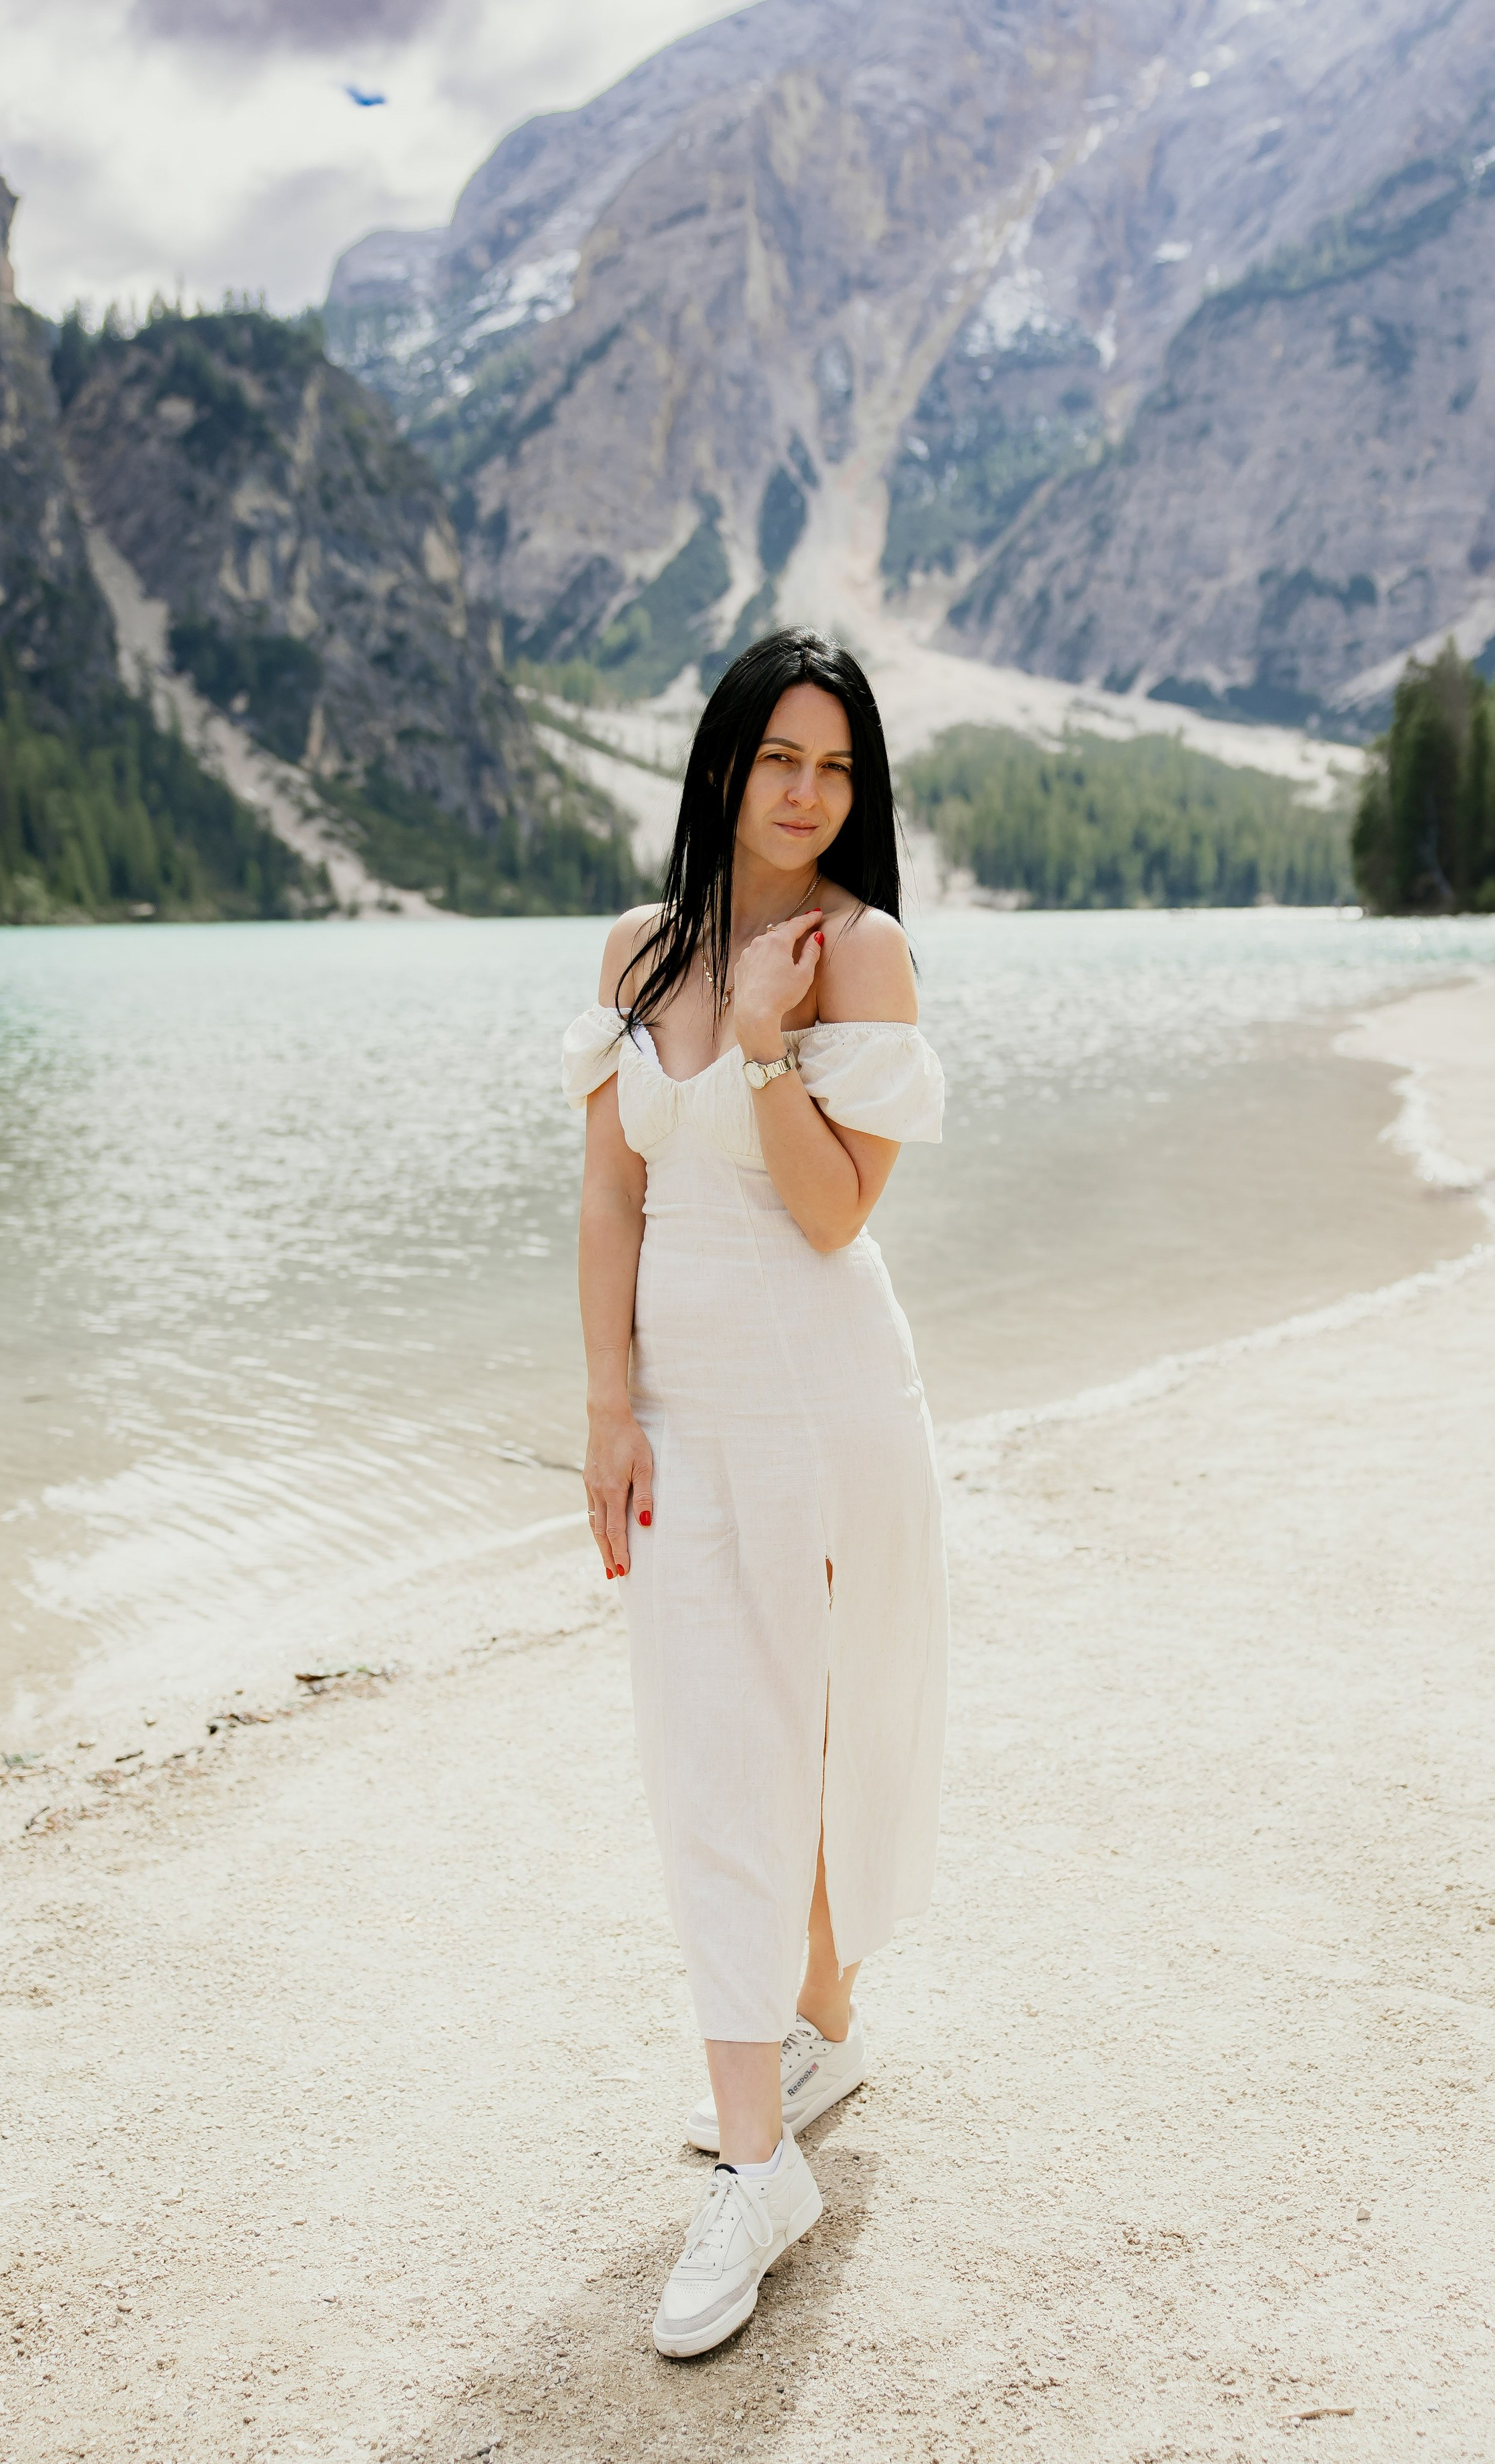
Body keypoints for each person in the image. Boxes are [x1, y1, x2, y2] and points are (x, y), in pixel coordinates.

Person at [561, 627, 948, 2360]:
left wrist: (780, 1045)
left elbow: (834, 1215)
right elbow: (609, 1200)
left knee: (795, 1735)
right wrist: (603, 1411)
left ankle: (760, 2150)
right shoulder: (637, 954)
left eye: (837, 769)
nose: (806, 794)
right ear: (721, 762)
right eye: (780, 757)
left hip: (827, 1403)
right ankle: (799, 2070)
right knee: (716, 1748)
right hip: (681, 1415)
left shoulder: (860, 956)